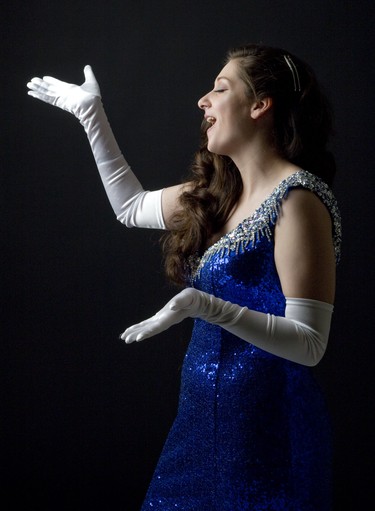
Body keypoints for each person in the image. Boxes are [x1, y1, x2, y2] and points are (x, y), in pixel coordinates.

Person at [27, 44, 341, 510]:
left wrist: (206, 305)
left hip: (267, 437)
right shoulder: (216, 194)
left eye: (220, 88)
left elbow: (311, 344)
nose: (203, 100)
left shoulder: (298, 201)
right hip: (198, 426)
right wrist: (91, 116)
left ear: (260, 106)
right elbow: (130, 208)